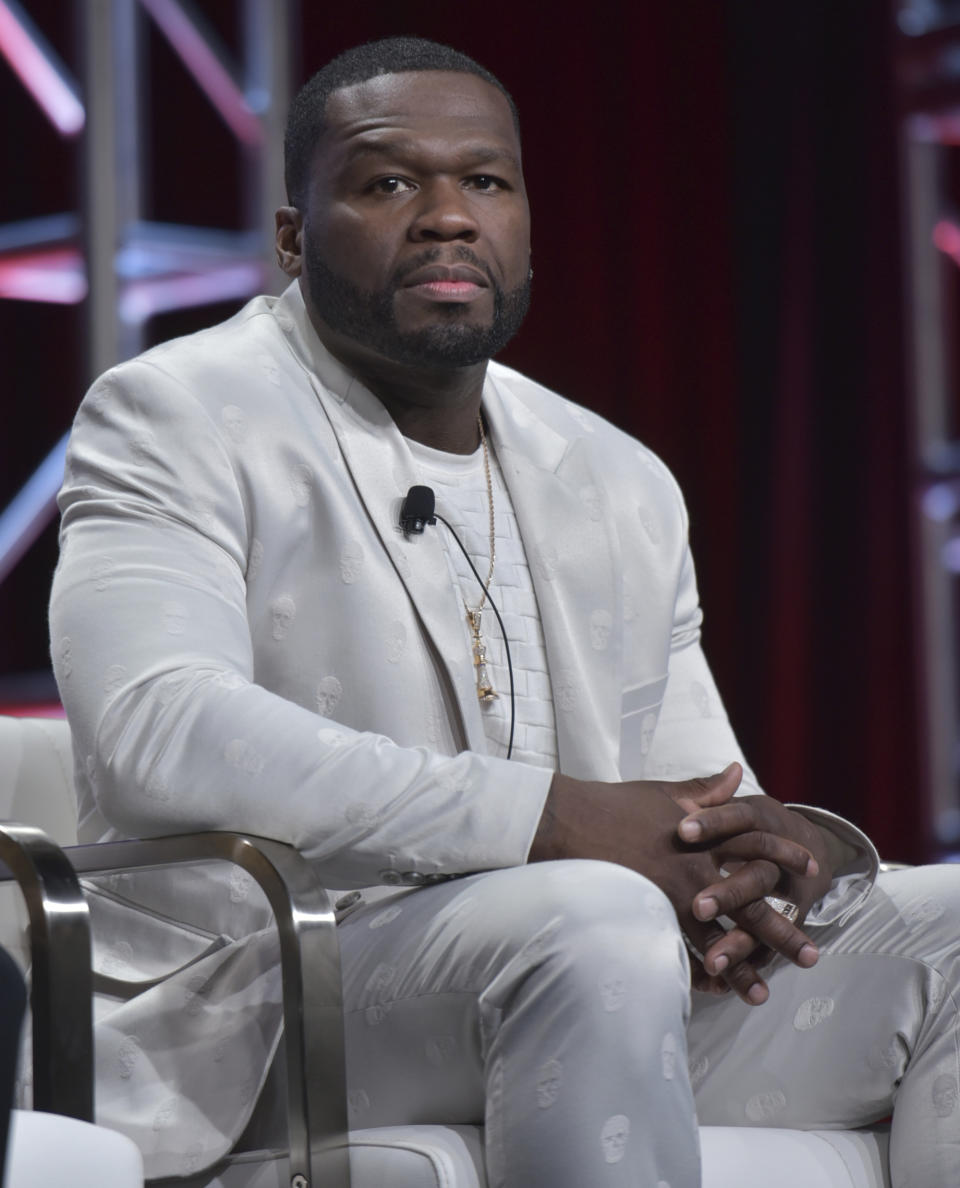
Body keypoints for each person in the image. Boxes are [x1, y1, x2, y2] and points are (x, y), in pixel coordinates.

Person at [49, 36, 959, 1187]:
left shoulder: (615, 474)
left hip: (592, 969)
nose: (446, 216)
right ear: (290, 237)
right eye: (387, 182)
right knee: (589, 917)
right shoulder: (176, 413)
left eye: (485, 181)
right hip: (267, 995)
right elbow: (158, 732)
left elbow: (690, 796)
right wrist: (549, 820)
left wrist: (782, 850)